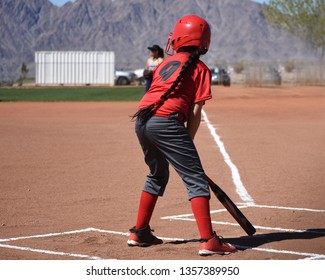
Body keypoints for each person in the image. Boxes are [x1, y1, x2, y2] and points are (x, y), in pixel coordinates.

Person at [128, 15, 237, 256]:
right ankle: (209, 240)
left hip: (142, 121)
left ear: (178, 38)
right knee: (195, 178)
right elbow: (196, 112)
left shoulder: (165, 64)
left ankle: (140, 232)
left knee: (157, 174)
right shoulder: (200, 69)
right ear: (203, 42)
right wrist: (186, 140)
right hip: (166, 123)